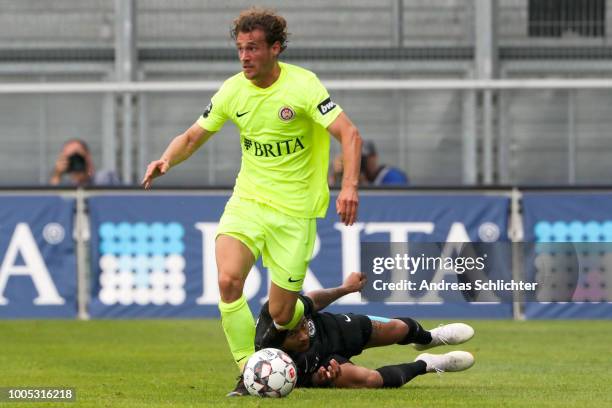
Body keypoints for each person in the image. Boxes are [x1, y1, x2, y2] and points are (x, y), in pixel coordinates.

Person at [140, 7, 362, 396]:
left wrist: (349, 187)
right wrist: (166, 159)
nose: (245, 56)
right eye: (241, 48)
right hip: (248, 202)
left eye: (253, 48)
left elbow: (350, 134)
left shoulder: (304, 86)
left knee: (281, 313)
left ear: (275, 48)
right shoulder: (232, 90)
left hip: (295, 214)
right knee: (228, 280)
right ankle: (248, 368)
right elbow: (193, 136)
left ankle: (304, 309)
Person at [255, 272, 475, 389]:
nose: (303, 335)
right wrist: (318, 380)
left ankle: (429, 338)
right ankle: (428, 364)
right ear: (278, 339)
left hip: (332, 330)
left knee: (399, 328)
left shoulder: (282, 309)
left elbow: (314, 300)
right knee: (369, 381)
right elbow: (296, 381)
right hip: (321, 363)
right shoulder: (267, 355)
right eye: (294, 335)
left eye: (302, 326)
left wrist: (346, 288)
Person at [49, 139, 120, 187]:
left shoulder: (105, 177)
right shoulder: (68, 186)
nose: (75, 161)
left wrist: (87, 172)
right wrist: (57, 175)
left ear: (88, 156)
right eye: (71, 158)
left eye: (78, 156)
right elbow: (53, 201)